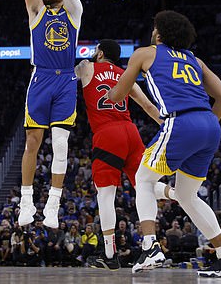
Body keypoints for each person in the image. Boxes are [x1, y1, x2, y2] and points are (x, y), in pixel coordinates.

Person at [108, 10, 221, 277]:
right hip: (209, 125)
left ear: (159, 32)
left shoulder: (145, 53)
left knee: (143, 179)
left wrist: (109, 89)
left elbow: (117, 95)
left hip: (181, 122)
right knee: (186, 195)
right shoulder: (196, 60)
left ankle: (150, 246)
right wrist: (205, 125)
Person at [0, 0, 82, 228]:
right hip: (41, 79)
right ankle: (26, 201)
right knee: (33, 142)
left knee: (61, 143)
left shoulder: (74, 12)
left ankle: (53, 205)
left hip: (66, 80)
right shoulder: (36, 11)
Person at [74, 39, 174, 270]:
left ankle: (109, 255)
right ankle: (178, 193)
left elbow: (69, 76)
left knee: (106, 195)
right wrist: (170, 127)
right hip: (131, 132)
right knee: (145, 184)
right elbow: (149, 107)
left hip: (107, 133)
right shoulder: (124, 74)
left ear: (99, 53)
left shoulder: (87, 67)